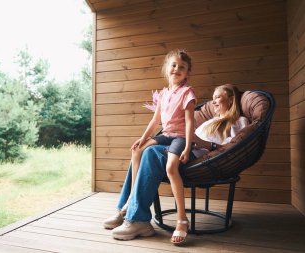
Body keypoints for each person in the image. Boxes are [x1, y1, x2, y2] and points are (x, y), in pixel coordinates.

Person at [103, 83, 249, 245]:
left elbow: (233, 146)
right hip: (181, 146)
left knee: (152, 154)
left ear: (231, 100)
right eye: (213, 98)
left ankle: (138, 220)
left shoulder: (239, 121)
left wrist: (206, 144)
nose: (214, 102)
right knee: (140, 150)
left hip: (196, 157)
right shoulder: (212, 121)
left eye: (218, 97)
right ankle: (124, 209)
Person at [104, 49, 197, 245]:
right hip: (165, 135)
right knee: (137, 149)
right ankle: (129, 204)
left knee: (170, 166)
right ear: (166, 68)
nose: (177, 69)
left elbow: (189, 123)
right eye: (173, 65)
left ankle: (181, 219)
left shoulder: (187, 93)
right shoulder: (164, 93)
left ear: (187, 73)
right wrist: (142, 138)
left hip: (178, 138)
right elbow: (155, 120)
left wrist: (188, 147)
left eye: (182, 67)